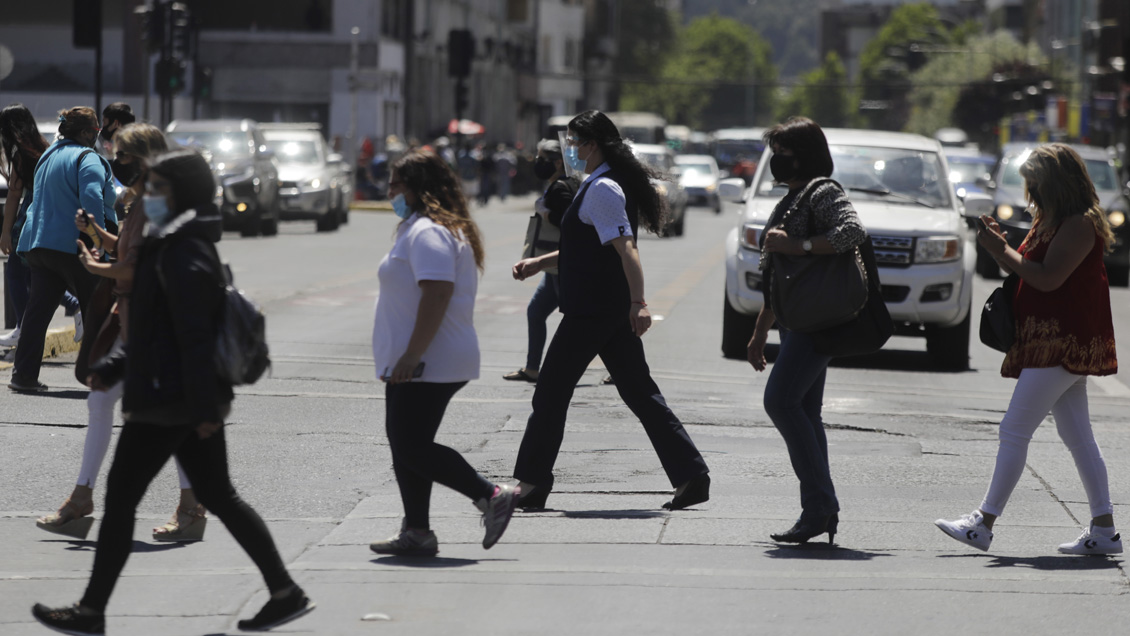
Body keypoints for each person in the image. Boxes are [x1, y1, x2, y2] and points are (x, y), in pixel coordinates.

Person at [31, 150, 315, 634]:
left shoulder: (183, 249)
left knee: (122, 497)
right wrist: (115, 364)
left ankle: (91, 611)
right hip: (176, 392)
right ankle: (285, 591)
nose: (148, 195)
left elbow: (192, 334)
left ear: (181, 192)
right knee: (219, 495)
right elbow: (157, 326)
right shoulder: (178, 241)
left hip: (169, 397)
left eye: (159, 187)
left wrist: (203, 405)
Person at [510, 110, 710, 511]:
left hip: (593, 313)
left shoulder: (603, 190)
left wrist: (640, 303)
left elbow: (626, 248)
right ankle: (691, 475)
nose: (570, 149)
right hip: (606, 312)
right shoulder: (599, 184)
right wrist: (540, 262)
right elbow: (587, 245)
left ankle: (531, 483)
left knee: (550, 393)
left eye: (574, 141)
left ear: (593, 144)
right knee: (641, 394)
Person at [936, 143, 1120, 555]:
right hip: (1051, 340)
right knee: (1078, 437)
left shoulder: (1078, 224)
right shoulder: (1051, 219)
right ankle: (1104, 530)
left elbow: (1047, 278)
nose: (1030, 193)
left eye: (1035, 184)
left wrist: (999, 250)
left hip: (1063, 343)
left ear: (1056, 182)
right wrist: (1004, 245)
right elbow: (1031, 268)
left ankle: (982, 523)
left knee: (1014, 429)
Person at [35, 123, 208, 543]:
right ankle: (87, 498)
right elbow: (125, 250)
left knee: (160, 420)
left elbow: (143, 265)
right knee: (105, 402)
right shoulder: (141, 200)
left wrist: (97, 269)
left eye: (124, 154)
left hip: (154, 327)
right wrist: (96, 233)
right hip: (134, 323)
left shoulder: (160, 202)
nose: (117, 161)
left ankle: (189, 504)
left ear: (146, 155)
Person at [368, 151, 520, 557]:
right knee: (406, 444)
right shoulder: (418, 228)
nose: (389, 191)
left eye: (397, 184)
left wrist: (411, 354)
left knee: (411, 446)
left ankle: (490, 495)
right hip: (417, 358)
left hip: (428, 359)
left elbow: (437, 292)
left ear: (419, 188)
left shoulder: (430, 232)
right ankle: (417, 530)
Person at [747, 117, 867, 545]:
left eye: (784, 153)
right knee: (805, 411)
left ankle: (820, 505)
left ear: (807, 155)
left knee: (780, 402)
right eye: (774, 153)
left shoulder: (823, 191)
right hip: (797, 320)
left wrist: (799, 245)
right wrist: (761, 331)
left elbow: (852, 231)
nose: (777, 161)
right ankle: (818, 508)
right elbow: (780, 275)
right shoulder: (794, 198)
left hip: (818, 321)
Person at [10, 106, 116, 393]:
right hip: (74, 245)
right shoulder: (87, 158)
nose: (97, 136)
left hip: (39, 244)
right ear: (84, 133)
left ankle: (23, 375)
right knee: (100, 311)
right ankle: (100, 374)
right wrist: (97, 242)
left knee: (37, 312)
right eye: (95, 131)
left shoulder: (48, 155)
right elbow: (92, 197)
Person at [0, 104, 83, 349]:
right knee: (35, 276)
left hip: (28, 217)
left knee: (15, 271)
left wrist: (5, 232)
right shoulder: (45, 148)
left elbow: (14, 196)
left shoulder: (21, 154)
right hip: (47, 214)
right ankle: (72, 305)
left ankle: (22, 327)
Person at [504, 139, 577, 383]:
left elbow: (570, 222)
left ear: (558, 162)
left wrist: (546, 212)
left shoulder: (561, 188)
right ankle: (533, 368)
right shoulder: (559, 184)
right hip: (552, 266)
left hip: (558, 262)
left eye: (542, 159)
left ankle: (613, 367)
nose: (538, 163)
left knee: (577, 320)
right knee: (536, 313)